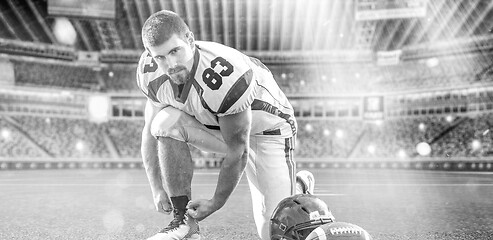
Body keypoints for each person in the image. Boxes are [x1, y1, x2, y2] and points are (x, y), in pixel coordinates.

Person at [137, 10, 307, 240]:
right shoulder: (149, 72)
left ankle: (298, 187)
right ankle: (183, 223)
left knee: (273, 232)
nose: (171, 64)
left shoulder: (226, 74)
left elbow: (239, 150)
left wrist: (215, 203)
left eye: (175, 51)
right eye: (160, 57)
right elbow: (149, 131)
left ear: (190, 39)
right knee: (163, 122)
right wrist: (157, 188)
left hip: (269, 131)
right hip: (218, 127)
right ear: (149, 55)